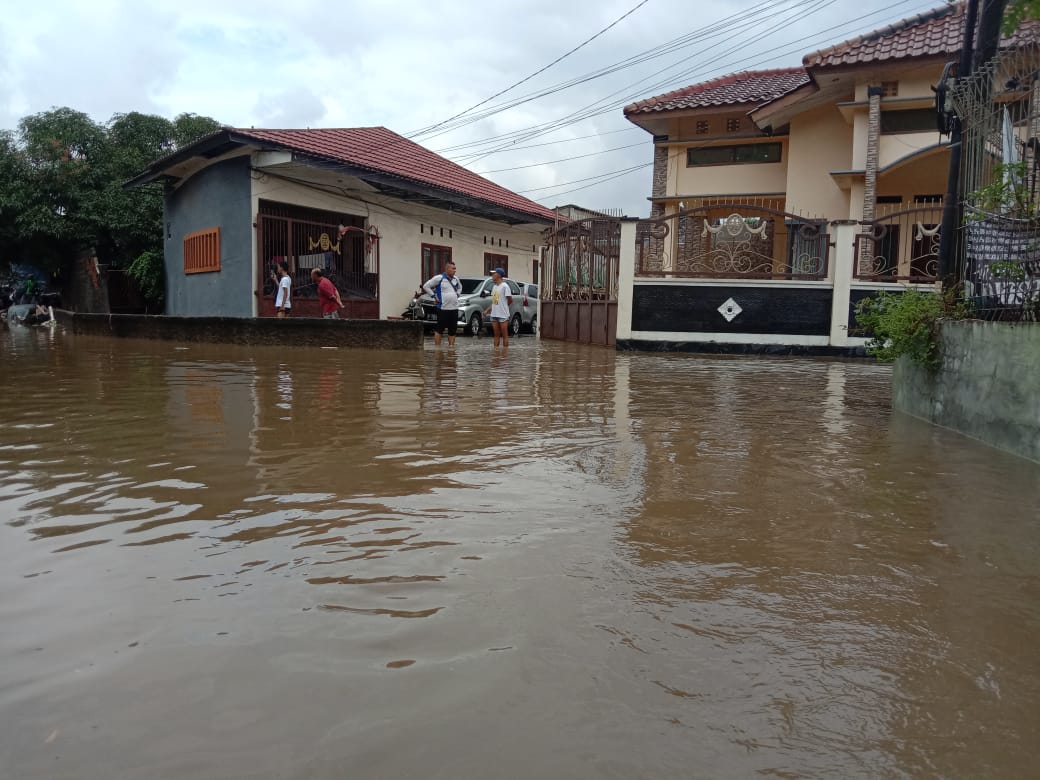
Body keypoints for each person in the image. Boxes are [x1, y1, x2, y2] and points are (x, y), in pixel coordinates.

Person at [422, 260, 462, 346]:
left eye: (455, 268)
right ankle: (437, 349)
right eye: (453, 268)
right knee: (439, 329)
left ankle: (451, 349)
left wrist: (457, 294)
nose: (455, 270)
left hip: (454, 308)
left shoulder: (456, 279)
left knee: (452, 330)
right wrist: (434, 296)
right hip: (443, 308)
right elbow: (426, 286)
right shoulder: (439, 278)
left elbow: (460, 288)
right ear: (447, 269)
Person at [483, 268, 513, 348]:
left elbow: (510, 300)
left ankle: (504, 355)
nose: (492, 275)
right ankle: (496, 354)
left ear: (499, 275)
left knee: (504, 335)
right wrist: (487, 311)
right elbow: (494, 302)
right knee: (496, 335)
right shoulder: (494, 287)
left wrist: (503, 307)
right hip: (494, 314)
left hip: (503, 315)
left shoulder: (505, 286)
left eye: (494, 274)